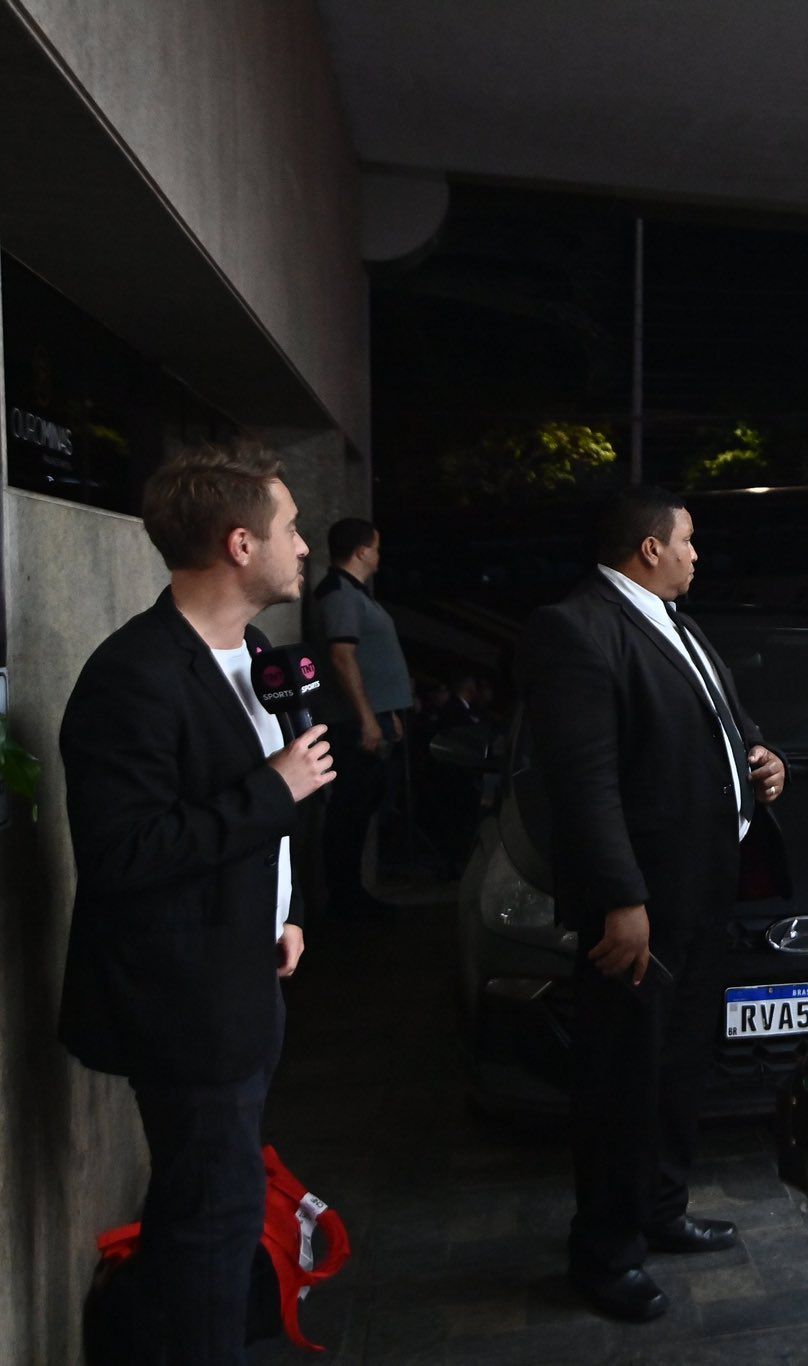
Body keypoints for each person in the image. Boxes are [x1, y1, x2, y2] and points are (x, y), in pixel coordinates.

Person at [57, 444, 335, 1365]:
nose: (306, 546)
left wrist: (283, 914)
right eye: (292, 528)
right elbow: (123, 853)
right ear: (240, 541)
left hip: (242, 979)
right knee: (212, 1228)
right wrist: (274, 790)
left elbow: (251, 823)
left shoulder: (249, 652)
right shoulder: (132, 676)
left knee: (205, 1209)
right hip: (183, 1007)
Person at [517, 486, 790, 1324]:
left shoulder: (678, 621)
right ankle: (604, 1255)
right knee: (620, 1082)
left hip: (705, 892)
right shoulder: (578, 629)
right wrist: (621, 901)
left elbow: (718, 727)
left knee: (677, 1071)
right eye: (689, 541)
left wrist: (761, 763)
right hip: (643, 908)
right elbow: (586, 786)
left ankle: (662, 1212)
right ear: (648, 550)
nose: (697, 554)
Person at [305, 517, 413, 917]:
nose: (379, 555)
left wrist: (387, 713)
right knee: (349, 812)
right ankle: (345, 902)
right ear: (363, 551)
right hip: (352, 724)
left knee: (362, 808)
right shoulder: (338, 593)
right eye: (377, 546)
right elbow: (341, 655)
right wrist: (368, 719)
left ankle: (352, 897)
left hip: (369, 719)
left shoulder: (354, 593)